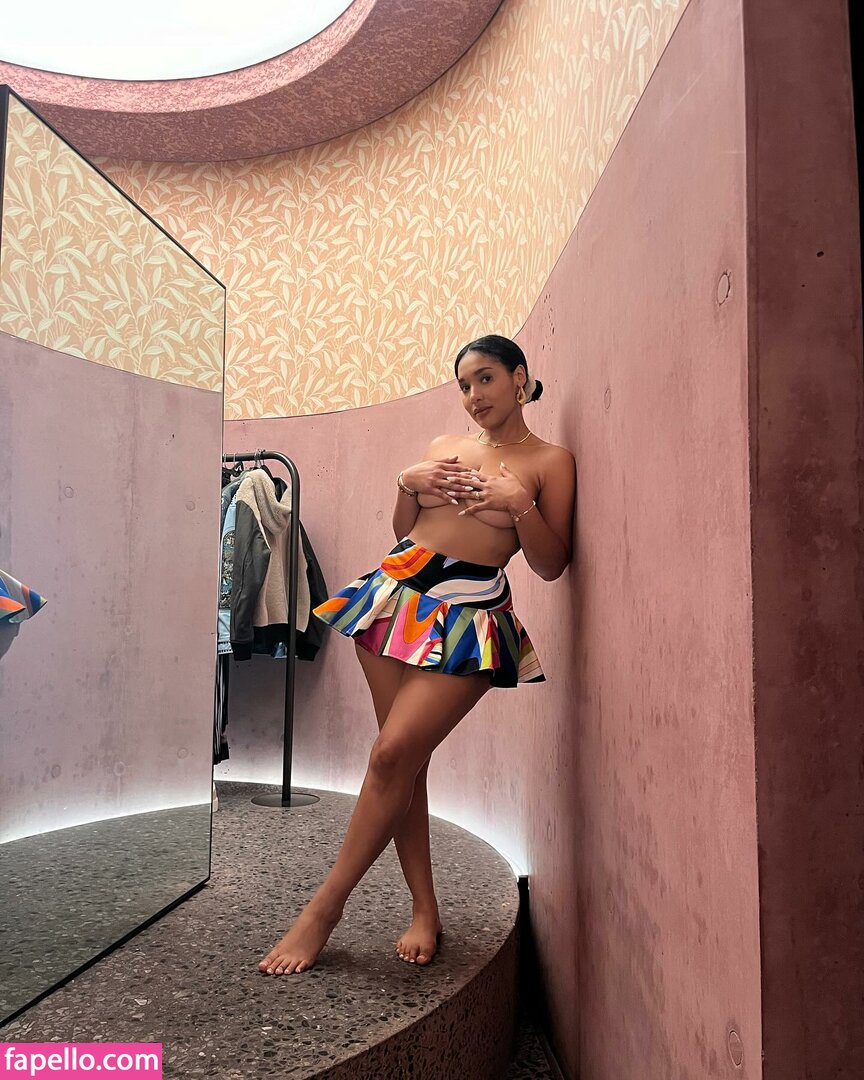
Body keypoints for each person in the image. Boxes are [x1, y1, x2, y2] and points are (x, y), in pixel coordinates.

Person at [258, 334, 576, 976]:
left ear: (519, 378)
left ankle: (324, 909)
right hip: (395, 599)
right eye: (463, 385)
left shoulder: (550, 461)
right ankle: (425, 908)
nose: (473, 396)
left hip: (470, 618)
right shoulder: (444, 446)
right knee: (406, 764)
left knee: (390, 755)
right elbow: (405, 529)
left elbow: (551, 563)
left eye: (485, 379)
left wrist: (521, 505)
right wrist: (408, 481)